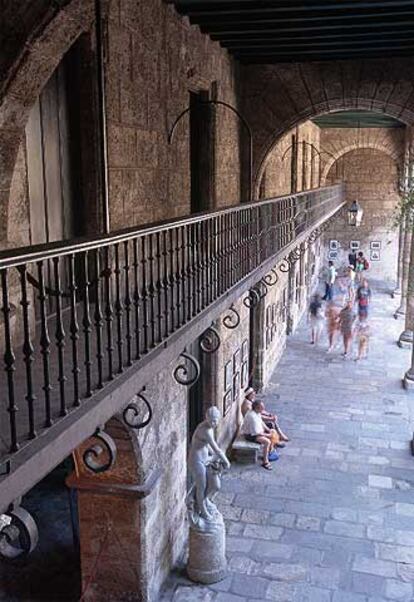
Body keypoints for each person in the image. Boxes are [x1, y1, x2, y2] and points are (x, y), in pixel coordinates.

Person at [188, 406, 231, 521]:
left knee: (215, 485)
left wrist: (213, 458)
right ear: (207, 419)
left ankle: (204, 501)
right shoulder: (205, 430)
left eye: (215, 420)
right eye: (211, 420)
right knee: (201, 486)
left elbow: (208, 446)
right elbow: (216, 448)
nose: (214, 423)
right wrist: (226, 461)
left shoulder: (210, 429)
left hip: (206, 458)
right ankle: (202, 510)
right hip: (196, 460)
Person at [241, 400, 279, 470]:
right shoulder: (252, 417)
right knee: (267, 441)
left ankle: (271, 450)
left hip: (255, 432)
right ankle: (265, 461)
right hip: (250, 435)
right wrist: (269, 435)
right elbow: (257, 433)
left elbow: (261, 422)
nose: (263, 409)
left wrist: (268, 430)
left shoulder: (256, 412)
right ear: (257, 408)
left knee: (272, 430)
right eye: (262, 408)